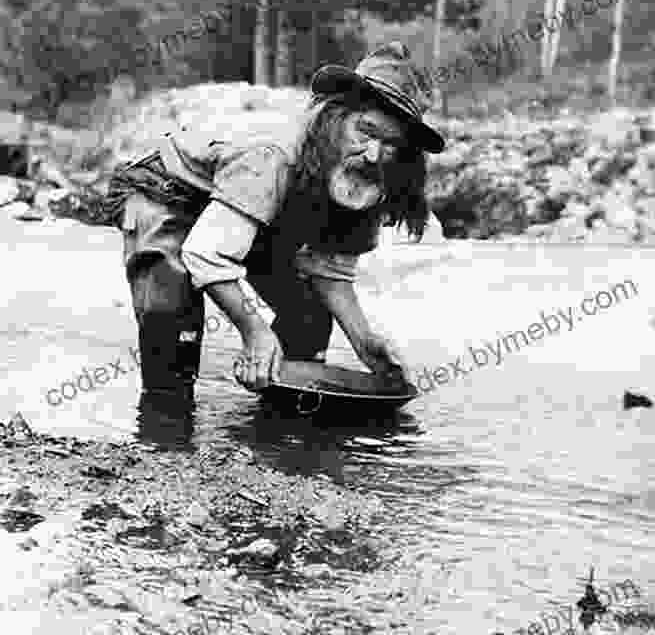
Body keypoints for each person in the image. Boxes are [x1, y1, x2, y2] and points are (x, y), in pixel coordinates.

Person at [110, 41, 445, 400]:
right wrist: (252, 329)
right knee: (173, 324)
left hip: (247, 211)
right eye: (365, 131)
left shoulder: (369, 179)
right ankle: (164, 429)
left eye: (391, 143)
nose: (374, 154)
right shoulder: (273, 157)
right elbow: (206, 255)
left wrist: (366, 343)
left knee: (309, 317)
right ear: (333, 118)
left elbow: (328, 272)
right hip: (170, 193)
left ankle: (278, 419)